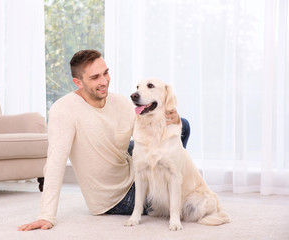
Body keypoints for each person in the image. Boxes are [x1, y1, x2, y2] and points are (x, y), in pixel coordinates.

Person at [18, 50, 190, 231]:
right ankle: (173, 191)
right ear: (78, 82)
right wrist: (46, 215)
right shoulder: (63, 110)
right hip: (115, 197)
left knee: (183, 126)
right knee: (185, 196)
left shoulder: (121, 102)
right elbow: (55, 162)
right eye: (95, 77)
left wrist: (172, 117)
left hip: (132, 170)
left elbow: (148, 132)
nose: (104, 81)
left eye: (105, 73)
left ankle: (173, 182)